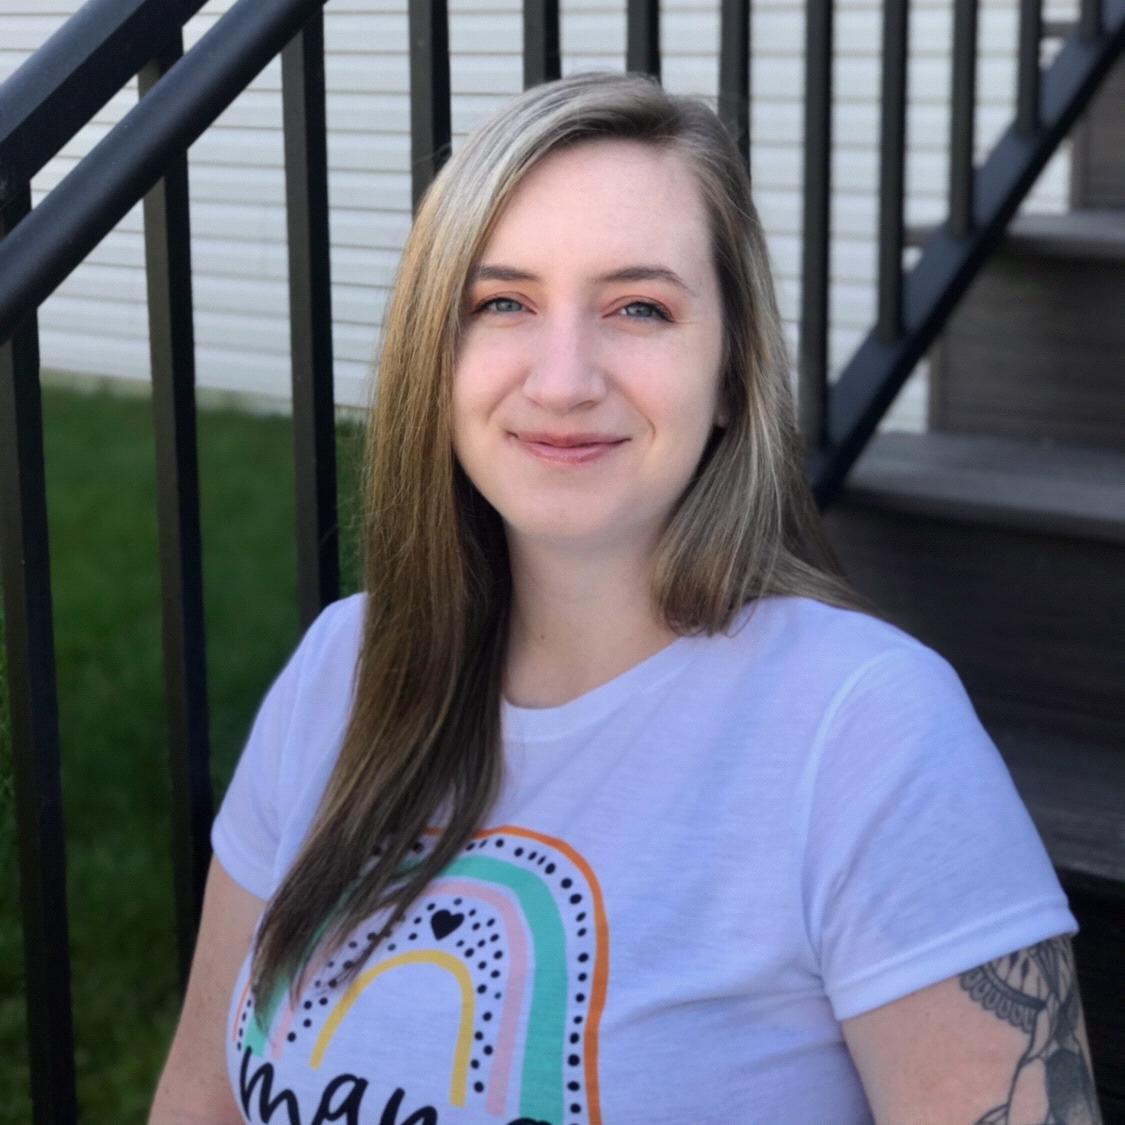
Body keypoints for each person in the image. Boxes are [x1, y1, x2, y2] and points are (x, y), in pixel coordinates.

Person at [150, 72, 1100, 1125]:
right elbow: (201, 1098)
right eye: (502, 303)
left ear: (732, 372)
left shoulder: (866, 732)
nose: (563, 380)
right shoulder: (343, 664)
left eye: (639, 308)